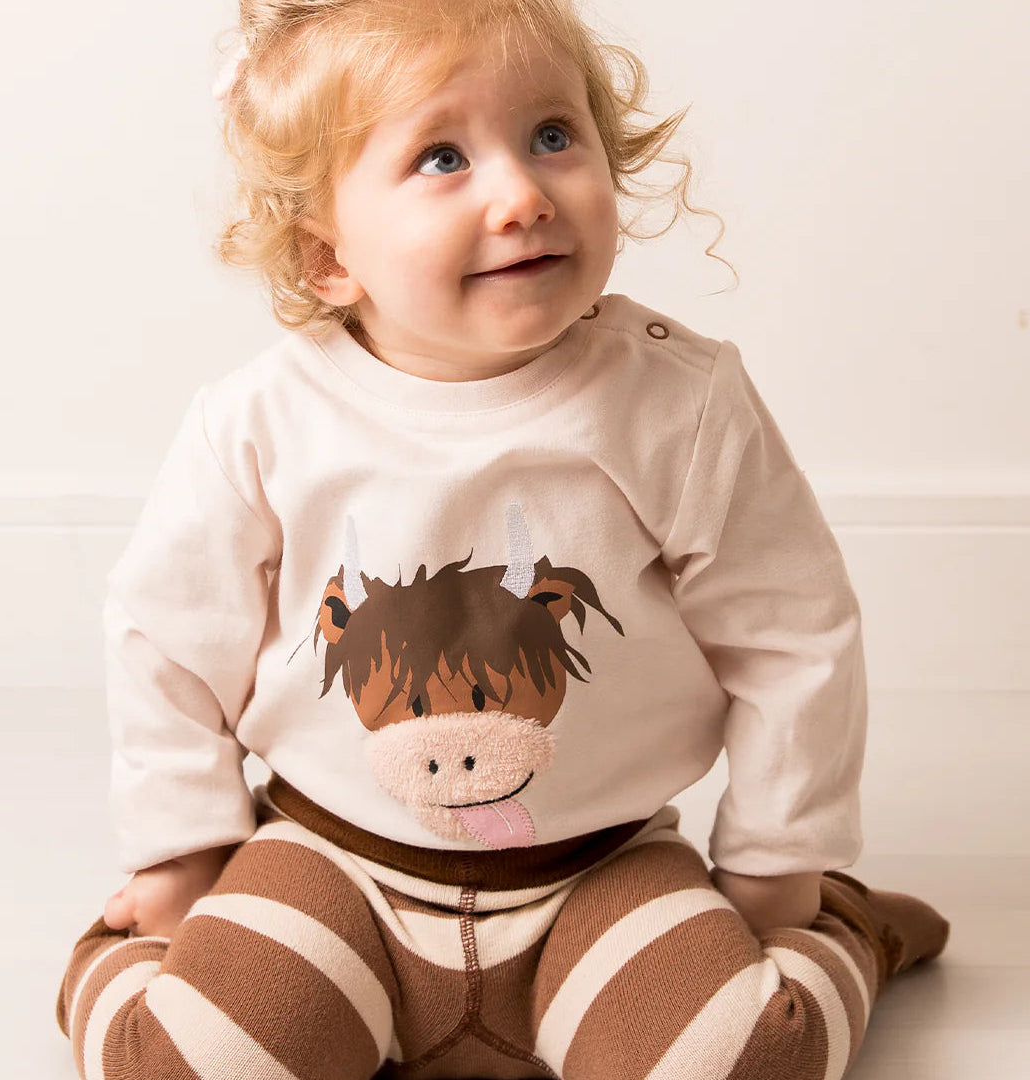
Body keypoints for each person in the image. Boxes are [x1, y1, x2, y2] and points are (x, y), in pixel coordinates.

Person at [57, 1, 949, 1077]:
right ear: (327, 254)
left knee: (744, 1054)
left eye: (553, 136)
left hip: (599, 869)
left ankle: (848, 930)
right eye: (442, 156)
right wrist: (182, 854)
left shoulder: (678, 404)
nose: (523, 195)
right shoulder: (262, 423)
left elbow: (793, 637)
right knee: (189, 1061)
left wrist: (778, 862)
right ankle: (122, 958)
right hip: (331, 857)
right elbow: (166, 642)